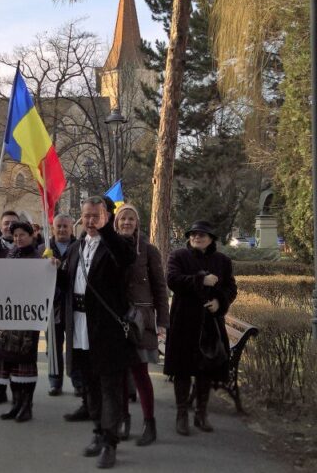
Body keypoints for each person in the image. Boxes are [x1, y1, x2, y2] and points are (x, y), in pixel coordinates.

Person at [59, 197, 137, 469]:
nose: (90, 221)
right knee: (89, 386)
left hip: (107, 330)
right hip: (80, 326)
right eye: (87, 216)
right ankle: (97, 431)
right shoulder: (75, 248)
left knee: (110, 389)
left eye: (96, 215)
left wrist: (107, 231)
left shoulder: (118, 245)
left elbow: (127, 259)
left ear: (105, 216)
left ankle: (110, 442)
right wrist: (50, 270)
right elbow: (65, 283)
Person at [164, 220, 238, 437]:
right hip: (183, 322)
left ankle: (201, 414)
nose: (197, 237)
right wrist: (201, 280)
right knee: (182, 371)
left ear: (211, 239)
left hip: (210, 325)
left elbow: (231, 287)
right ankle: (181, 416)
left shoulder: (222, 261)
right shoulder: (178, 256)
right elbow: (173, 280)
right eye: (194, 234)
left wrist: (219, 302)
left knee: (205, 371)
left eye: (202, 235)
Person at [114, 204, 169, 446]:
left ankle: (149, 423)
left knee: (140, 373)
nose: (127, 222)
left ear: (137, 223)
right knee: (120, 373)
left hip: (140, 320)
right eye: (122, 219)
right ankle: (124, 419)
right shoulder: (110, 247)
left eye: (131, 219)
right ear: (116, 223)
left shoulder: (148, 250)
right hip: (116, 318)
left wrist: (162, 323)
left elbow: (160, 288)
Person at [0, 222, 42, 422]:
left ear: (31, 236)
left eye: (22, 235)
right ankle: (15, 404)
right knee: (9, 363)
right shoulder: (10, 254)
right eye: (15, 235)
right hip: (7, 317)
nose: (18, 238)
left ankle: (27, 406)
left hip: (27, 319)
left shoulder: (38, 258)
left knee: (24, 365)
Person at [45, 214, 79, 397]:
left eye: (65, 226)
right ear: (52, 228)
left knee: (75, 347)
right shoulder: (44, 248)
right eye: (59, 226)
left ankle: (77, 381)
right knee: (53, 346)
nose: (62, 229)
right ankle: (54, 382)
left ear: (72, 228)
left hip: (74, 306)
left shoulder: (79, 248)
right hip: (51, 307)